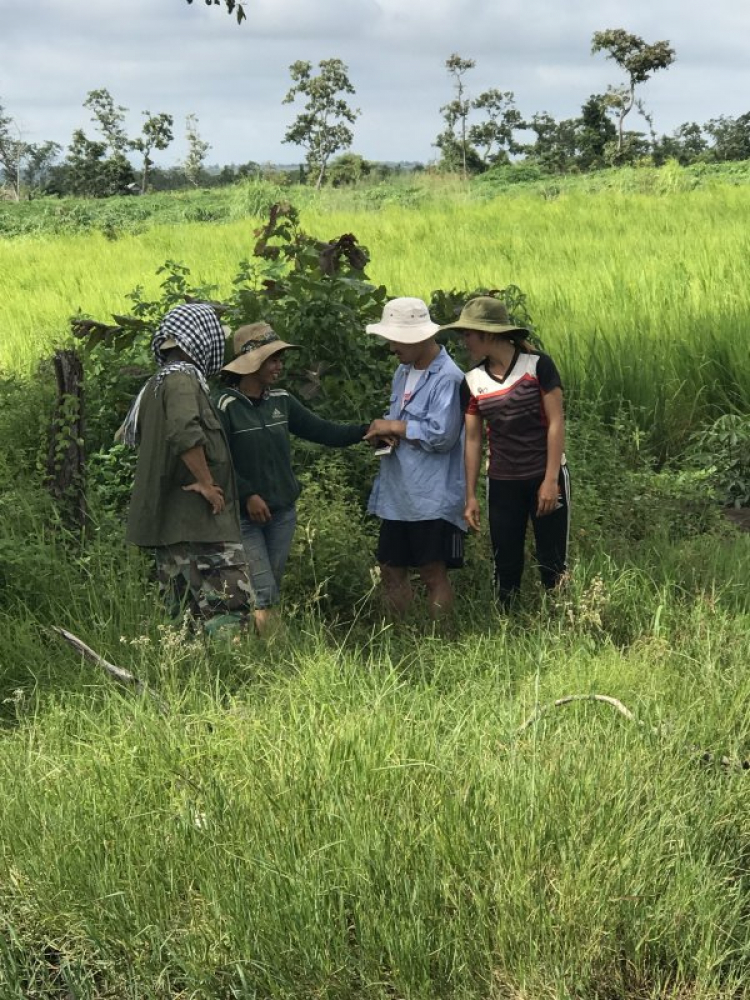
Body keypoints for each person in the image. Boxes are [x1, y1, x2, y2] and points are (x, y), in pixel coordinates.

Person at [213, 322, 368, 635]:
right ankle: (268, 656)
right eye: (272, 359)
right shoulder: (224, 406)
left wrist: (368, 431)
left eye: (279, 358)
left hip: (282, 513)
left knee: (268, 590)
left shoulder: (281, 401)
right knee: (263, 592)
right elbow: (217, 460)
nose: (279, 365)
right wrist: (247, 495)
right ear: (251, 362)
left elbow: (324, 431)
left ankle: (257, 649)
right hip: (244, 517)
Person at [122, 303, 253, 632]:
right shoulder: (181, 380)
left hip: (177, 526)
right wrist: (207, 483)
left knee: (186, 620)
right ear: (198, 339)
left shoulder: (160, 382)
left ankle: (195, 681)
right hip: (199, 524)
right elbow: (184, 432)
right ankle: (234, 676)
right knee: (229, 607)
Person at [440, 296, 570, 607]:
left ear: (488, 333)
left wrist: (551, 480)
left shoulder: (538, 365)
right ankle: (506, 626)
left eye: (468, 333)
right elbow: (473, 440)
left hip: (544, 475)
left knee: (552, 561)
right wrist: (470, 495)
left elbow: (556, 422)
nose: (464, 340)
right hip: (502, 482)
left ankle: (563, 621)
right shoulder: (472, 381)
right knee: (505, 563)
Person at [364, 297, 466, 619]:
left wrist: (394, 425)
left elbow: (442, 435)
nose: (392, 347)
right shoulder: (401, 372)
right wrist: (385, 434)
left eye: (398, 339)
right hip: (397, 493)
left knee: (432, 572)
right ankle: (399, 636)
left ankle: (440, 644)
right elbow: (403, 424)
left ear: (421, 336)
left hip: (431, 496)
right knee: (390, 570)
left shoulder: (448, 377)